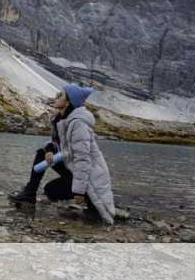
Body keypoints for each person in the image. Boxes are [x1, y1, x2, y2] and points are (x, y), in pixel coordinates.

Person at [8, 83, 116, 224]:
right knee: (42, 153)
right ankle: (29, 194)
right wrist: (50, 149)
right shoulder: (61, 120)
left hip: (89, 179)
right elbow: (59, 145)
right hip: (74, 170)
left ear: (69, 101)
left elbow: (83, 160)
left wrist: (78, 191)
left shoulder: (78, 124)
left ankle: (92, 206)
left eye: (60, 95)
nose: (56, 97)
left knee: (51, 190)